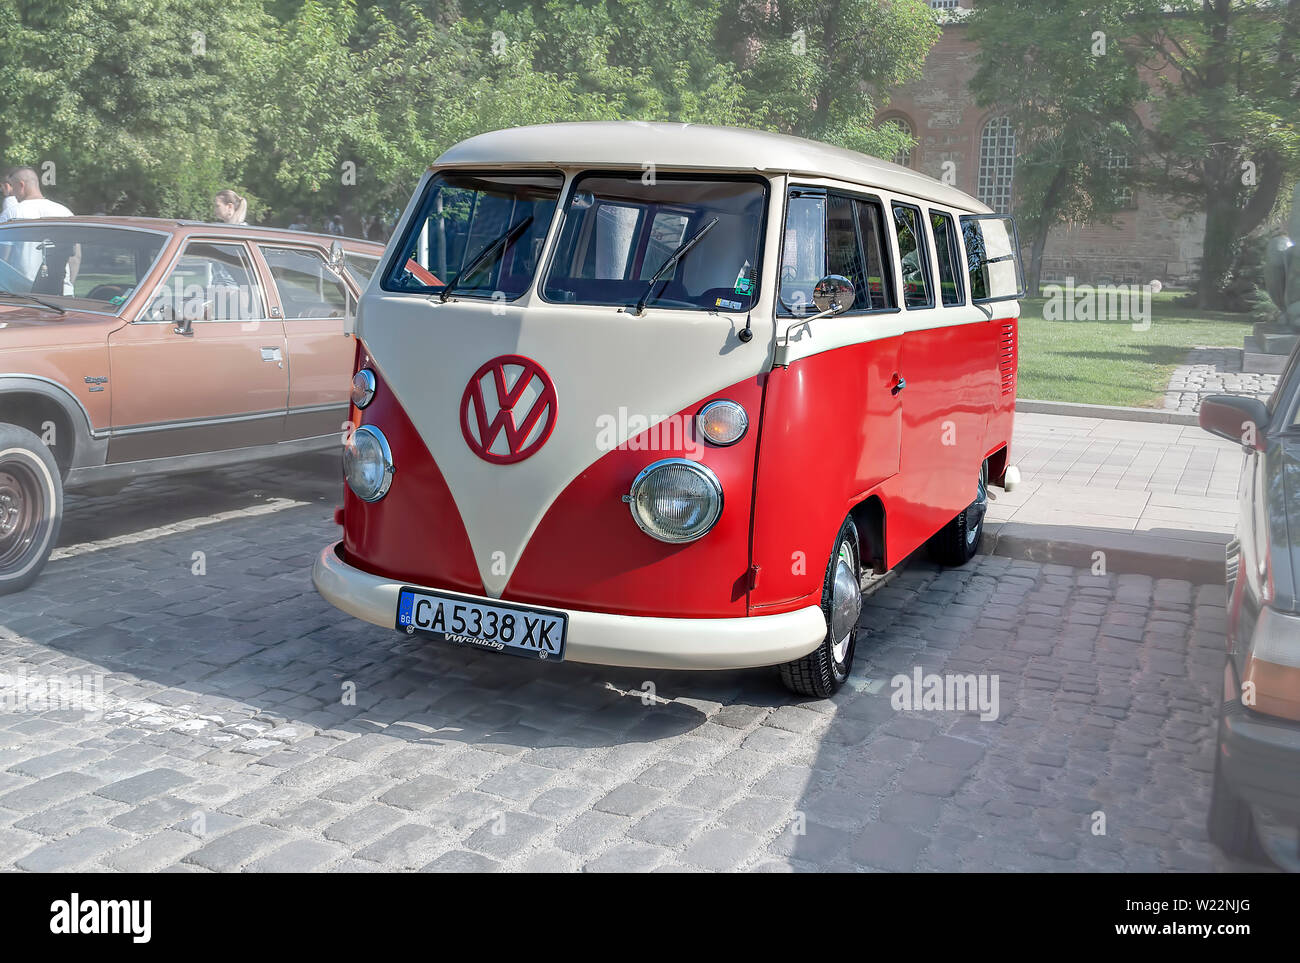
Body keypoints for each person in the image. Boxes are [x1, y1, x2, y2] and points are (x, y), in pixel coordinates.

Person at [0, 167, 77, 294]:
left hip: (22, 293)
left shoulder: (12, 214)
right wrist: (70, 285)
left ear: (21, 185)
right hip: (61, 291)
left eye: (13, 187)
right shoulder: (65, 212)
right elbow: (75, 256)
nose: (12, 193)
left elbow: (3, 258)